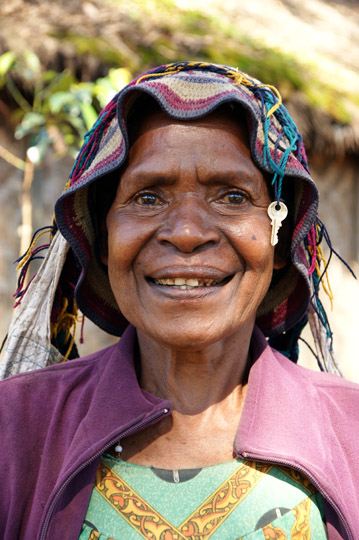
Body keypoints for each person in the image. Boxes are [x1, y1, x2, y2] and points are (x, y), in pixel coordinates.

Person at [0, 61, 358, 540]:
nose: (187, 233)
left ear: (278, 239)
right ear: (105, 240)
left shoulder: (350, 432)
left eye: (232, 196)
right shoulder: (17, 428)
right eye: (148, 198)